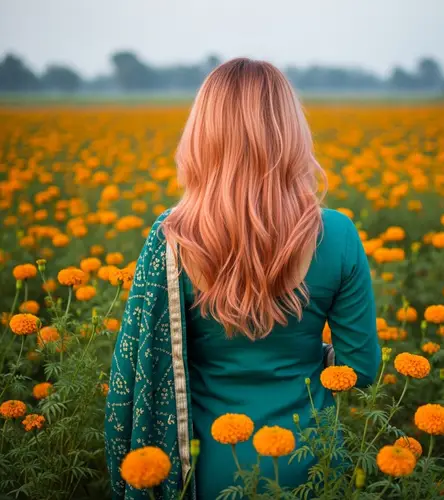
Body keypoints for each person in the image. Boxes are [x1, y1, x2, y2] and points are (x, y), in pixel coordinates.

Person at [105, 57, 380, 500]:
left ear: (202, 136)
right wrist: (312, 352)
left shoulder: (171, 238)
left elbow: (148, 368)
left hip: (207, 471)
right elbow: (361, 372)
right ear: (292, 134)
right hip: (313, 468)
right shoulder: (338, 234)